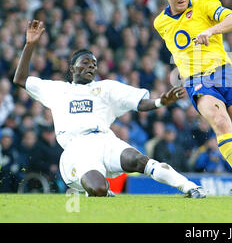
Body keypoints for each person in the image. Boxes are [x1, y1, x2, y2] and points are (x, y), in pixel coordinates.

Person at [13, 19, 205, 198]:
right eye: (86, 62)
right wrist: (30, 45)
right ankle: (97, 190)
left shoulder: (105, 88)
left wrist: (160, 102)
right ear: (72, 68)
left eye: (94, 64)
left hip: (105, 141)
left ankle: (189, 187)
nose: (91, 67)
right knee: (98, 188)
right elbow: (20, 79)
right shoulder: (57, 89)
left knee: (138, 160)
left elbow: (139, 103)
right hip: (76, 150)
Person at [153, 0, 232, 198]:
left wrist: (211, 30)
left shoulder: (205, 5)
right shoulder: (161, 23)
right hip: (198, 80)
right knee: (221, 121)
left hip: (226, 74)